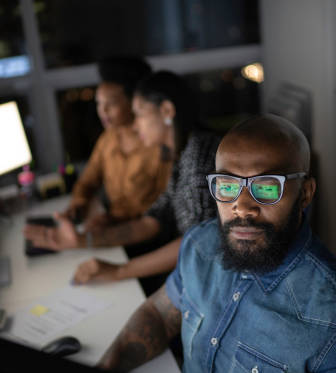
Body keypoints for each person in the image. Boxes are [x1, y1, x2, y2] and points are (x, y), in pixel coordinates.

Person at [96, 115, 336, 373]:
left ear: (306, 193)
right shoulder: (200, 245)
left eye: (267, 187)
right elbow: (160, 314)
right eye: (227, 187)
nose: (242, 207)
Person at [24, 71, 221, 293]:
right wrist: (82, 240)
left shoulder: (199, 156)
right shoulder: (179, 155)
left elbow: (197, 245)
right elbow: (152, 221)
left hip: (207, 282)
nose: (135, 126)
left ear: (166, 111)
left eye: (139, 115)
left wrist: (119, 271)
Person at [65, 56, 172, 231]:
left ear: (134, 102)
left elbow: (162, 212)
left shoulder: (158, 145)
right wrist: (79, 202)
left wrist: (112, 220)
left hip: (141, 235)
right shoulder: (108, 138)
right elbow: (88, 181)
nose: (103, 111)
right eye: (99, 103)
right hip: (110, 226)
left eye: (111, 104)